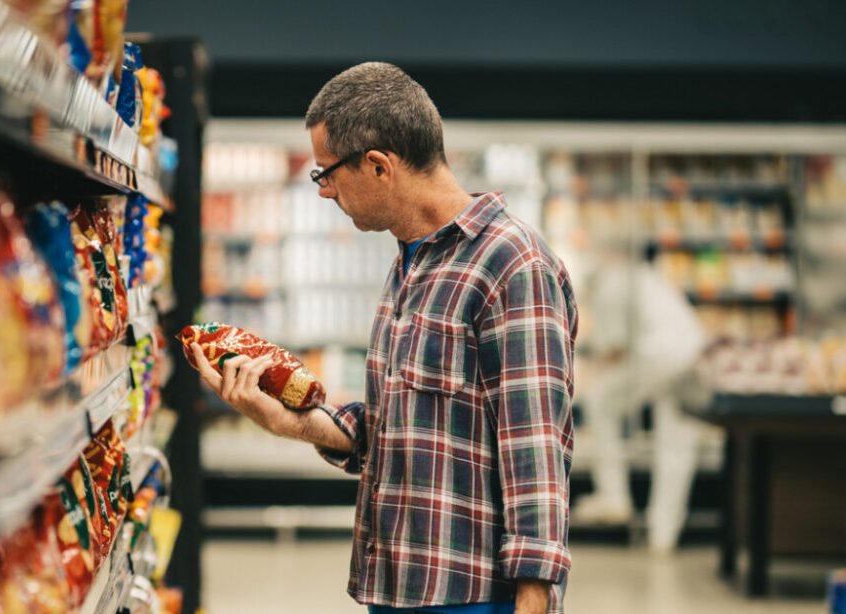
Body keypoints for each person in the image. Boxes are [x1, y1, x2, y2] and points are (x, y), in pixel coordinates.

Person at [187, 63, 578, 614]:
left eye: (325, 173)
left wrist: (534, 598)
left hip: (472, 598)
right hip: (399, 586)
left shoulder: (512, 264)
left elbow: (534, 446)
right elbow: (396, 428)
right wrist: (284, 419)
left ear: (376, 166)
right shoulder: (411, 263)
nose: (324, 192)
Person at [570, 256, 706, 554]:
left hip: (657, 352)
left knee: (601, 403)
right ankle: (663, 535)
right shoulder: (640, 274)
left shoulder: (607, 285)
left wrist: (580, 360)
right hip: (692, 350)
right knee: (676, 445)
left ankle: (614, 496)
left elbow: (614, 348)